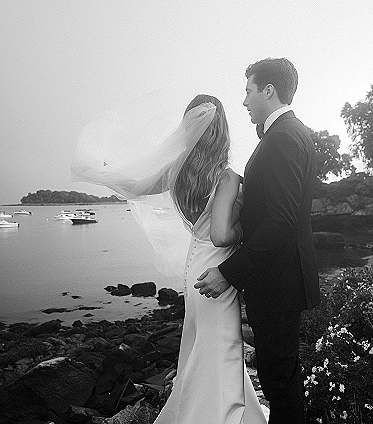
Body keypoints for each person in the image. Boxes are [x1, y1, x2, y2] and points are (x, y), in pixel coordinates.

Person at [71, 94, 267, 424]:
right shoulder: (227, 178)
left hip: (194, 271)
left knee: (202, 350)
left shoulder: (177, 173)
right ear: (221, 132)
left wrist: (104, 173)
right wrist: (245, 228)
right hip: (216, 275)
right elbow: (221, 235)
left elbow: (135, 185)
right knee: (222, 349)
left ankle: (236, 413)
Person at [195, 58, 320, 424]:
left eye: (249, 91)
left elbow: (280, 223)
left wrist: (228, 272)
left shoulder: (281, 139)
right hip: (281, 278)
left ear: (269, 91)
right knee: (280, 378)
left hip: (278, 283)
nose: (245, 100)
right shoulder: (291, 134)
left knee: (279, 382)